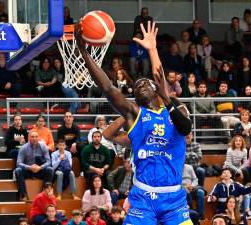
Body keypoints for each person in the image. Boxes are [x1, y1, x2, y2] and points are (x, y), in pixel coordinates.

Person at [76, 21, 193, 224]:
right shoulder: (135, 113)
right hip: (142, 198)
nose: (140, 85)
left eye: (145, 82)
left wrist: (153, 49)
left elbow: (161, 79)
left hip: (173, 198)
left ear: (156, 88)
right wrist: (84, 53)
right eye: (136, 86)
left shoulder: (177, 109)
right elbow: (108, 88)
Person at [15, 131, 54, 201]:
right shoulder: (24, 148)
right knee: (18, 170)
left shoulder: (43, 147)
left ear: (38, 138)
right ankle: (24, 195)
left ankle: (43, 194)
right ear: (29, 138)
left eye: (36, 137)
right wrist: (29, 167)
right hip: (28, 171)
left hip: (40, 170)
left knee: (50, 169)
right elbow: (18, 163)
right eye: (32, 137)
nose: (34, 138)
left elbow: (49, 162)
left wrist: (40, 167)